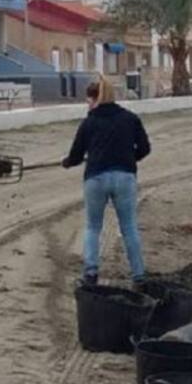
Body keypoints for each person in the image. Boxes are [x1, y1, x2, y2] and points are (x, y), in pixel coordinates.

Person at [62, 77, 150, 286]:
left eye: (89, 101)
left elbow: (76, 155)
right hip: (125, 177)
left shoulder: (89, 122)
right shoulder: (130, 119)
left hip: (96, 178)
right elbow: (145, 148)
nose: (88, 105)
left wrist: (66, 162)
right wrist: (128, 159)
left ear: (97, 99)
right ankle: (138, 275)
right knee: (129, 227)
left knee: (93, 227)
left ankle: (91, 274)